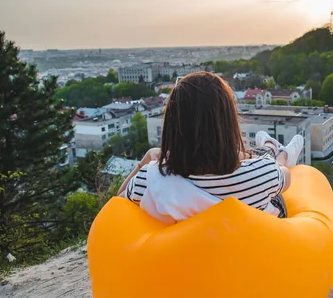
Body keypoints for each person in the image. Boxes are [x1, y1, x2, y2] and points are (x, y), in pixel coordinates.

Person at [116, 72, 304, 223]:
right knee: (268, 166)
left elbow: (118, 202)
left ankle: (270, 146)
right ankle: (278, 149)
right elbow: (285, 176)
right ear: (227, 123)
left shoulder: (150, 180)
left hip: (191, 261)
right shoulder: (261, 174)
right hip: (250, 254)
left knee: (256, 158)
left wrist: (147, 159)